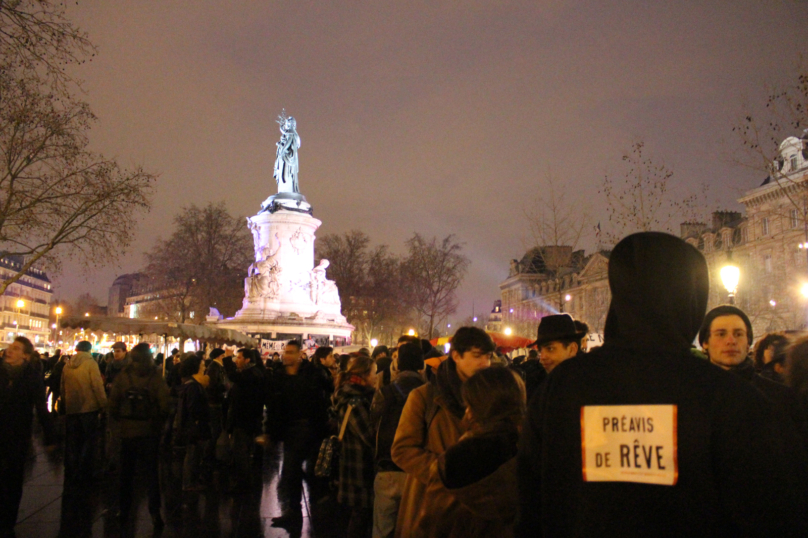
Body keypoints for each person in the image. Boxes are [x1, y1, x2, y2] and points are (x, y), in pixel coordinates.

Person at [517, 232, 808, 537]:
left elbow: (530, 503)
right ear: (691, 299)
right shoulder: (731, 399)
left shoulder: (560, 388)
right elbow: (776, 513)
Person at [391, 326, 494, 537]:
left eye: (488, 356)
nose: (485, 363)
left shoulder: (492, 397)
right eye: (477, 356)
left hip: (477, 511)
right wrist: (444, 471)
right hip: (431, 508)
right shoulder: (424, 397)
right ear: (456, 355)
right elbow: (402, 450)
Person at [436, 367, 525, 537]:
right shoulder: (535, 449)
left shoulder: (458, 459)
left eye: (469, 405)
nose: (467, 412)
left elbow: (438, 517)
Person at [698, 305, 807, 443]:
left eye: (738, 334)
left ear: (748, 342)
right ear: (705, 343)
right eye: (721, 334)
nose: (731, 341)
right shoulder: (693, 396)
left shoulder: (779, 398)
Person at [267, 340, 332, 528]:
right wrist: (271, 431)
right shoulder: (279, 376)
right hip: (290, 430)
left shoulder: (312, 373)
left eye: (290, 352)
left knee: (295, 469)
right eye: (285, 352)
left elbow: (327, 392)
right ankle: (295, 510)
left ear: (299, 354)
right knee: (292, 471)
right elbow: (274, 406)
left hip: (310, 428)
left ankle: (300, 507)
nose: (286, 355)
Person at [108, 342, 170, 530]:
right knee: (151, 474)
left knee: (126, 473)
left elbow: (113, 403)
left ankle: (124, 509)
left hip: (127, 432)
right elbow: (164, 404)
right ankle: (154, 512)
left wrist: (120, 422)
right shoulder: (155, 377)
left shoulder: (124, 376)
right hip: (149, 432)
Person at [0, 337, 54, 537]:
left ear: (25, 355)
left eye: (15, 349)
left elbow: (41, 408)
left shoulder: (31, 377)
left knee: (13, 481)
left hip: (17, 435)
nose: (9, 351)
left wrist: (50, 436)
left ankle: (7, 522)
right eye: (10, 348)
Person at [370, 342, 425, 538]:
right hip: (418, 471)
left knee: (383, 529)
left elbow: (373, 423)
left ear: (398, 365)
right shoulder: (430, 394)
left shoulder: (385, 393)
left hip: (387, 467)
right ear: (422, 366)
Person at [334, 355, 378, 537]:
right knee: (361, 515)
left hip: (353, 464)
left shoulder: (352, 394)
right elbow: (368, 436)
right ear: (365, 374)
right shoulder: (355, 400)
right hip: (359, 467)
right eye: (374, 372)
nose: (376, 376)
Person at [61, 340, 107, 500]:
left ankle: (71, 469)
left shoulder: (67, 364)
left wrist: (65, 404)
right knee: (88, 440)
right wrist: (103, 404)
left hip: (72, 408)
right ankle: (84, 470)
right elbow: (97, 385)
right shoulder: (91, 363)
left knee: (73, 440)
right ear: (89, 350)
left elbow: (62, 385)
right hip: (88, 408)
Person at [222, 347, 266, 491]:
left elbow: (234, 377)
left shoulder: (251, 374)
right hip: (247, 419)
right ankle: (243, 481)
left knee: (241, 451)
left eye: (239, 358)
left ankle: (242, 484)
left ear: (247, 360)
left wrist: (227, 359)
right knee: (242, 451)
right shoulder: (253, 373)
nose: (237, 360)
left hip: (244, 419)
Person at [176, 353, 211, 492]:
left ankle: (191, 481)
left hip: (192, 426)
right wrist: (199, 420)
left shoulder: (190, 384)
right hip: (194, 427)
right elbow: (193, 407)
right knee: (193, 454)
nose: (204, 367)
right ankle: (189, 483)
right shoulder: (193, 386)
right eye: (202, 365)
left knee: (194, 454)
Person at [104, 341, 129, 473]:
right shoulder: (110, 366)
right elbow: (107, 380)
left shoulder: (130, 366)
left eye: (118, 351)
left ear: (125, 352)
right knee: (113, 433)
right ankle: (113, 460)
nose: (116, 354)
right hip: (113, 401)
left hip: (126, 403)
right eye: (114, 351)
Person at [204, 348, 227, 467]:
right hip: (214, 402)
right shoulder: (214, 368)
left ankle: (210, 455)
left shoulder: (216, 367)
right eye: (223, 356)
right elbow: (212, 385)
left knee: (216, 429)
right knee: (215, 429)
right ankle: (208, 456)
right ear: (219, 356)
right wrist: (224, 387)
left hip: (216, 401)